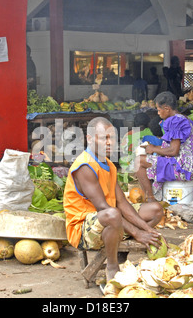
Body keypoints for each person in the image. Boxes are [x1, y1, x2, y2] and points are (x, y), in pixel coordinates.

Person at [63, 117, 164, 282]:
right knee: (112, 214)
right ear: (89, 139)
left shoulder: (109, 165)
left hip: (111, 220)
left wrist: (147, 229)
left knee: (156, 210)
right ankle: (112, 266)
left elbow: (122, 202)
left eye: (112, 138)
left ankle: (118, 243)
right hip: (83, 229)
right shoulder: (85, 166)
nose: (110, 143)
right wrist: (138, 232)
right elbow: (103, 208)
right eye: (104, 138)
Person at [135, 91, 193, 202]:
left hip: (182, 167)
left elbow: (174, 151)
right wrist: (154, 148)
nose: (158, 113)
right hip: (189, 165)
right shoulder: (183, 118)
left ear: (167, 108)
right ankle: (155, 197)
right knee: (149, 160)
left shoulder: (175, 121)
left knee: (138, 162)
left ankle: (151, 200)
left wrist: (153, 149)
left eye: (159, 110)